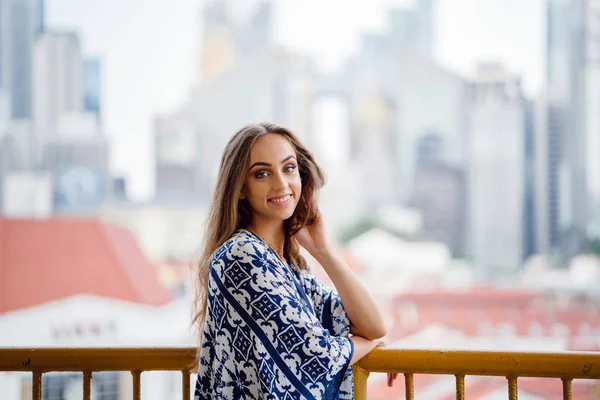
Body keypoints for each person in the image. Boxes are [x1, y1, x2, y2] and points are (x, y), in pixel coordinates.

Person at [192, 123, 396, 399]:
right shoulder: (242, 256)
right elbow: (316, 357)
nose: (281, 183)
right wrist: (365, 346)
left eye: (288, 168)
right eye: (262, 174)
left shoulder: (289, 269)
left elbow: (373, 326)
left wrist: (324, 251)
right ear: (240, 188)